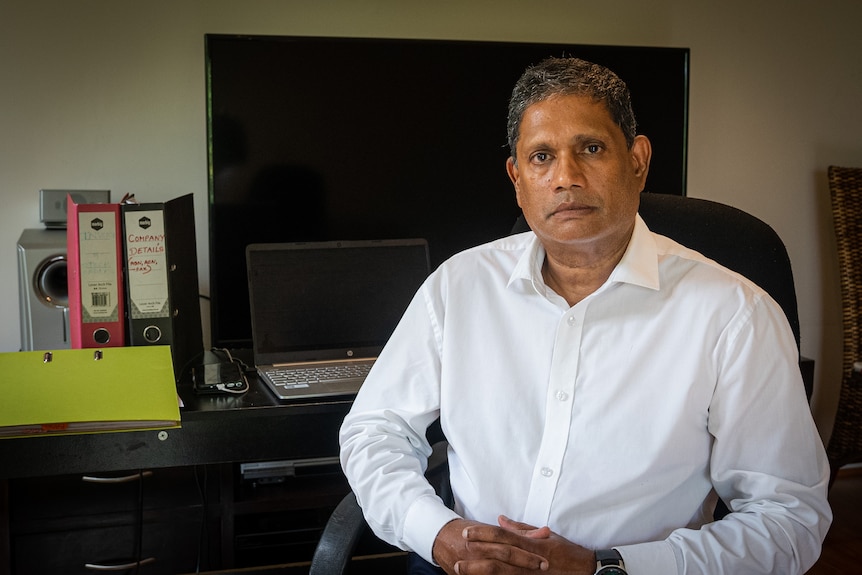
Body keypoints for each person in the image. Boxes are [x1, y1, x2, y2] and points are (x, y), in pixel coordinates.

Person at [339, 57, 831, 575]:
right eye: (542, 157)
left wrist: (608, 568)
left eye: (591, 149)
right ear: (517, 177)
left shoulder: (735, 314)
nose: (565, 179)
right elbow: (375, 428)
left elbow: (789, 517)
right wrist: (434, 532)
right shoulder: (458, 287)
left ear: (637, 160)